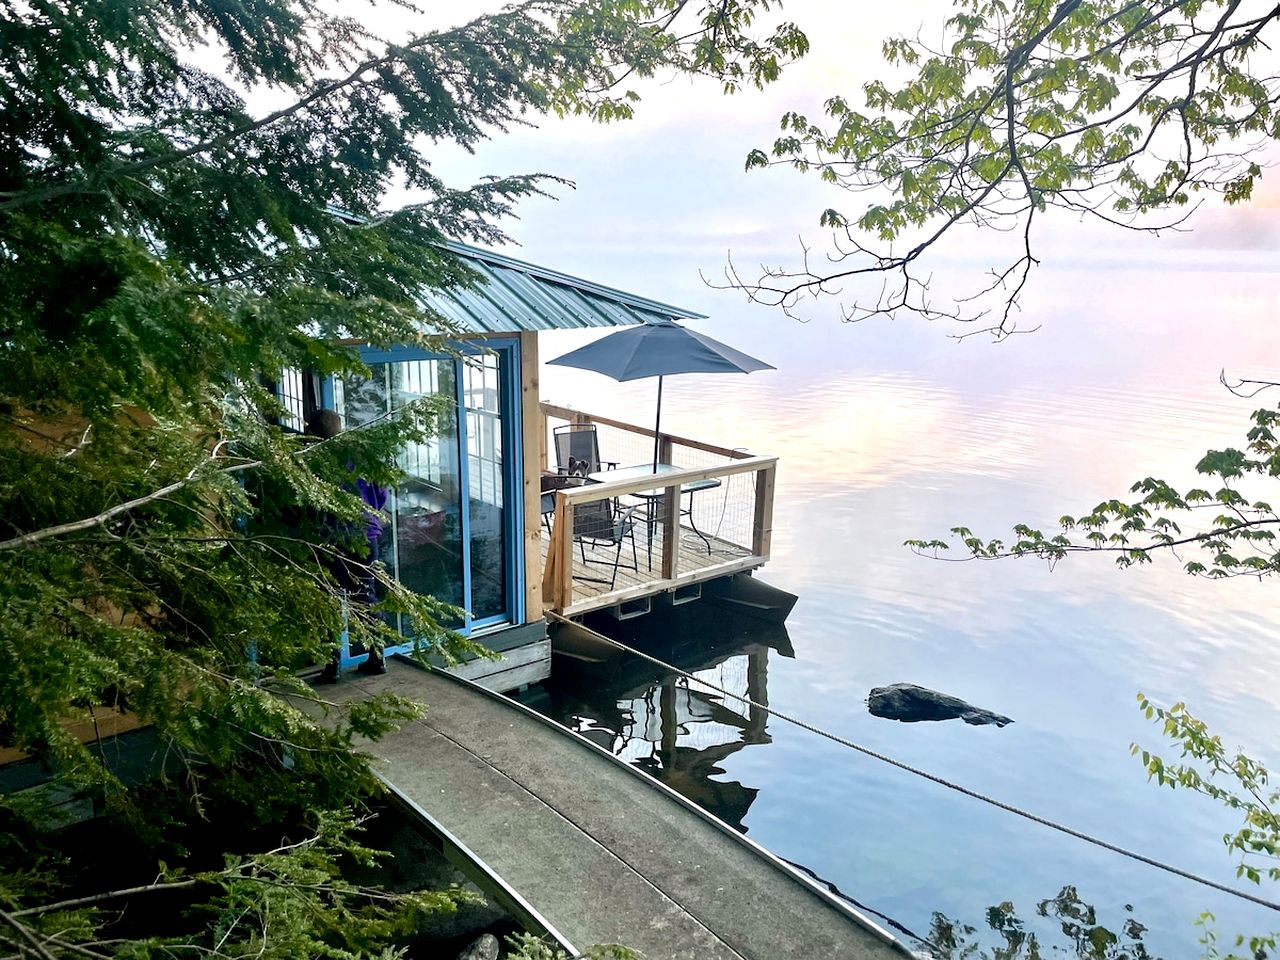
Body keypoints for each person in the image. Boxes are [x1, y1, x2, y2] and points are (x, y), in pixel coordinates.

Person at [305, 409, 389, 681]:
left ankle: (332, 666)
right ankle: (376, 656)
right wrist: (370, 517)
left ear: (313, 431)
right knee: (365, 597)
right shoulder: (362, 457)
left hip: (331, 538)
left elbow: (305, 502)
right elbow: (381, 492)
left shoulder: (315, 461)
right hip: (365, 537)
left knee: (329, 600)